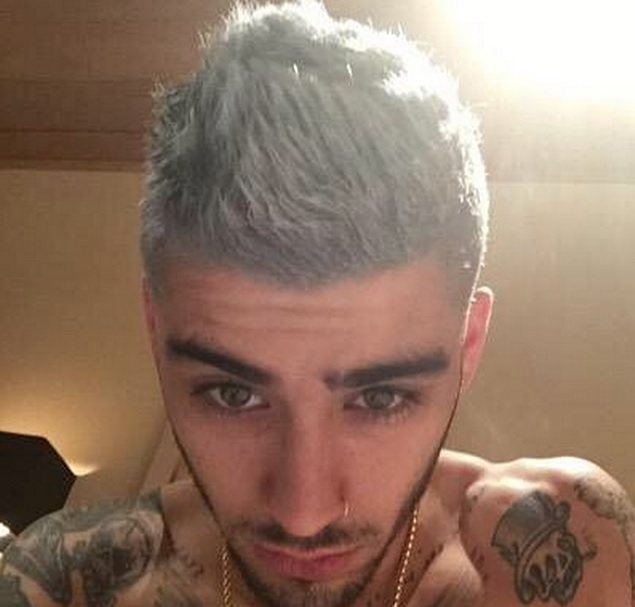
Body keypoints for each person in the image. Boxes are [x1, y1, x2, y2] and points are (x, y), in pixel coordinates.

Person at [1, 2, 633, 606]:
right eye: (233, 394)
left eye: (380, 398)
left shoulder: (567, 539)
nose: (303, 515)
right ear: (154, 332)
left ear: (468, 346)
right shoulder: (65, 580)